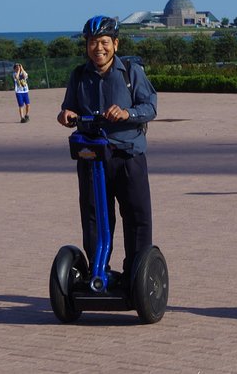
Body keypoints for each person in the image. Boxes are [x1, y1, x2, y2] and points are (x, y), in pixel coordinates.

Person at [57, 15, 158, 282]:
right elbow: (68, 109)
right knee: (94, 217)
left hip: (127, 156)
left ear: (115, 43)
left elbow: (150, 108)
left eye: (104, 42)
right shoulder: (79, 75)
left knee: (136, 217)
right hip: (92, 157)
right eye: (92, 42)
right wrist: (65, 115)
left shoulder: (131, 72)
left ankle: (136, 274)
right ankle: (97, 271)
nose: (98, 48)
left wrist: (127, 113)